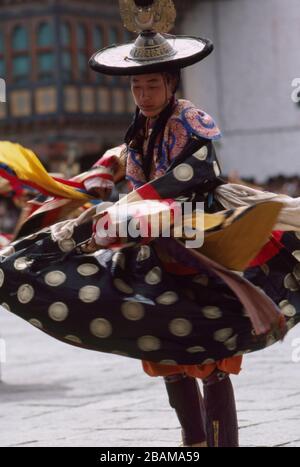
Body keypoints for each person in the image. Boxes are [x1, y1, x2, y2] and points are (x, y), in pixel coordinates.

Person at [0, 0, 299, 448]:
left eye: (151, 85)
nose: (143, 94)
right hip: (143, 235)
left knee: (210, 354)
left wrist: (131, 205)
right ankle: (191, 444)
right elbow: (127, 159)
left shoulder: (191, 119)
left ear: (170, 82)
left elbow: (192, 173)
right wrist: (103, 172)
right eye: (137, 86)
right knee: (164, 350)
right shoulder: (139, 124)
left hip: (194, 226)